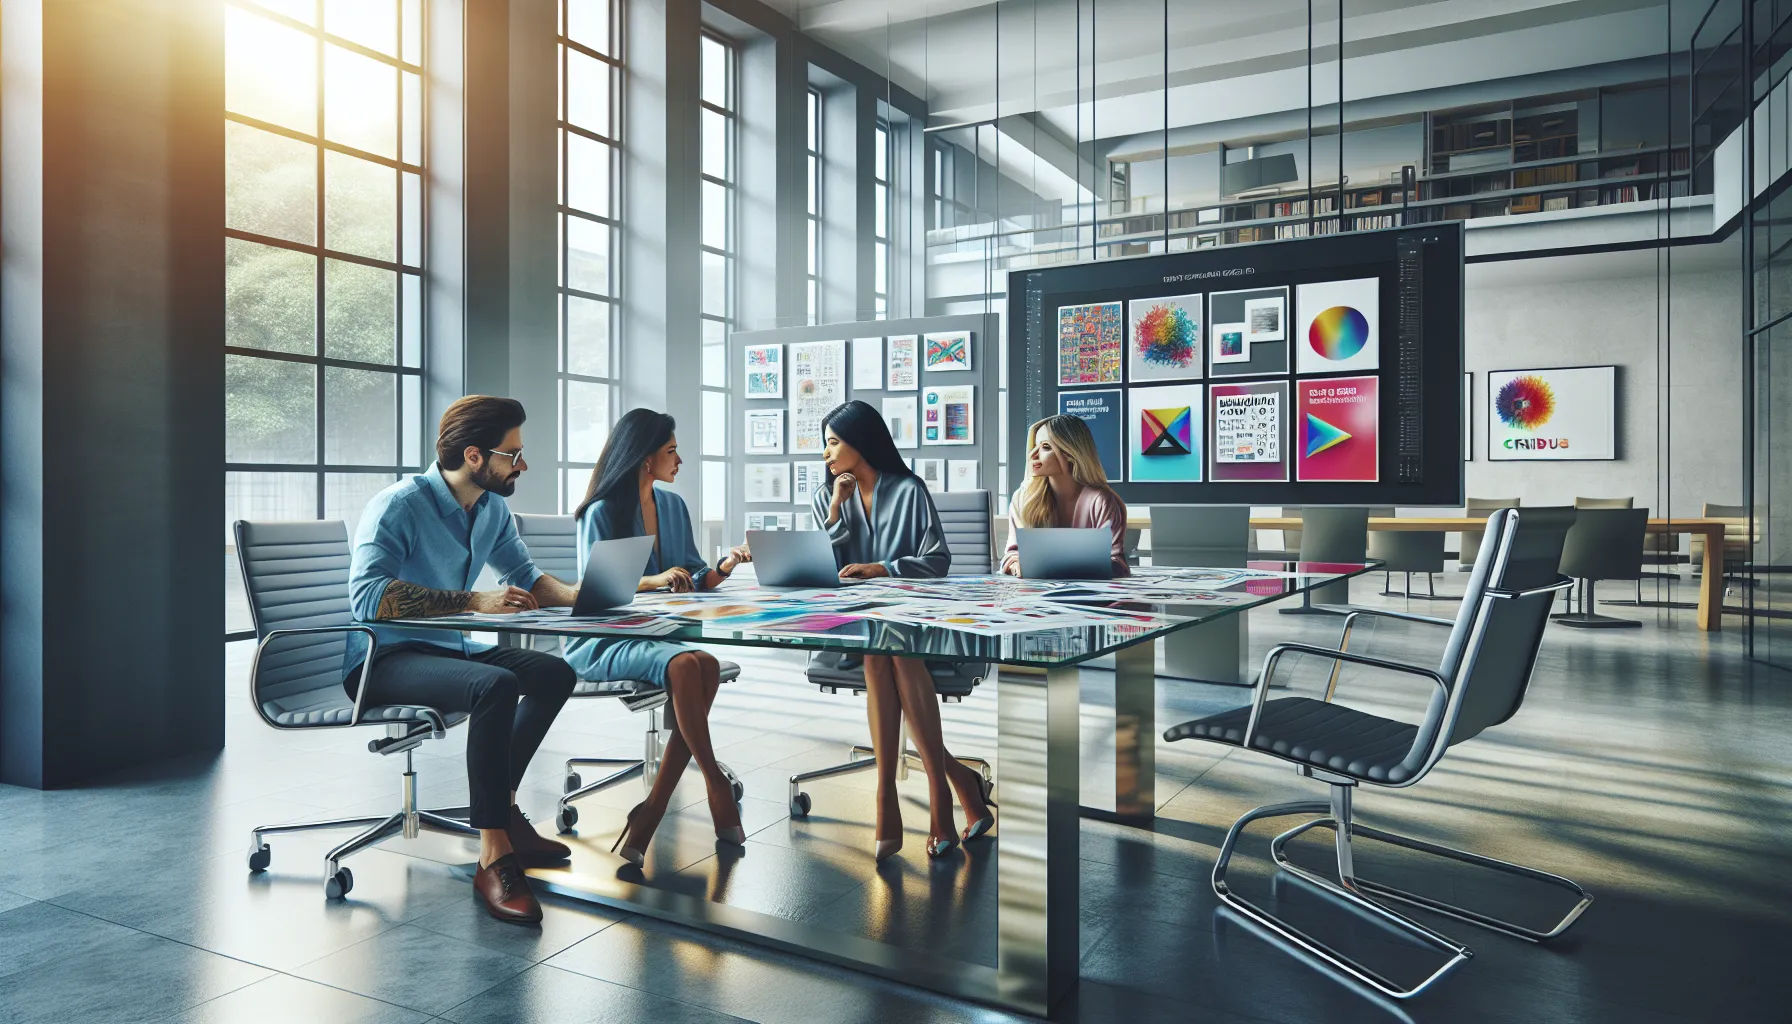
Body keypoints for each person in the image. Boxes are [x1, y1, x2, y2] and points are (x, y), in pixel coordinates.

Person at [349, 396, 581, 925]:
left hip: (443, 650)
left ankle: (505, 810)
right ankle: (494, 851)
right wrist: (474, 601)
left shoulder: (492, 508)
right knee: (495, 684)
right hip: (379, 660)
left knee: (554, 672)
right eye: (513, 454)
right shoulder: (399, 505)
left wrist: (589, 595)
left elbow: (526, 576)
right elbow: (368, 598)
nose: (522, 464)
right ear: (475, 456)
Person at [806, 400, 993, 860]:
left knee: (890, 649)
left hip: (920, 627)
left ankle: (902, 798)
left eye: (833, 443)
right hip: (854, 628)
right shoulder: (825, 497)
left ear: (861, 442)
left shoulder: (909, 490)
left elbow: (938, 560)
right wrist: (836, 508)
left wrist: (883, 569)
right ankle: (941, 790)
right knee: (879, 647)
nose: (826, 455)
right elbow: (819, 566)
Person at [566, 409, 752, 865]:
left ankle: (652, 807)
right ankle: (714, 784)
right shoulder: (602, 511)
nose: (680, 459)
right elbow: (601, 586)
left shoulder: (672, 506)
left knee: (702, 663)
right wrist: (657, 580)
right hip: (603, 637)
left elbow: (694, 571)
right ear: (645, 458)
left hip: (660, 636)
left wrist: (725, 566)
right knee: (691, 664)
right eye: (671, 451)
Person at [1001, 414, 1131, 578]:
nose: (1033, 455)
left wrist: (1064, 569)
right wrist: (1016, 565)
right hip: (1035, 597)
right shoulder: (1023, 498)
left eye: (1045, 447)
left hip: (1090, 597)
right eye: (1034, 446)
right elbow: (1012, 553)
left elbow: (1116, 562)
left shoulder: (1101, 502)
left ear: (1070, 453)